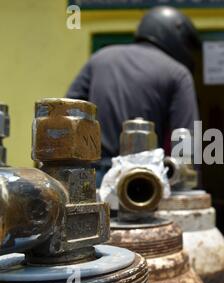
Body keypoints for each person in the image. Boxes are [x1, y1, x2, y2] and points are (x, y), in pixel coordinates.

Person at [66, 6, 201, 186]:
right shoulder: (177, 73)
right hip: (143, 183)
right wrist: (190, 187)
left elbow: (67, 114)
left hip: (93, 181)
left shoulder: (101, 58)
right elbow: (185, 141)